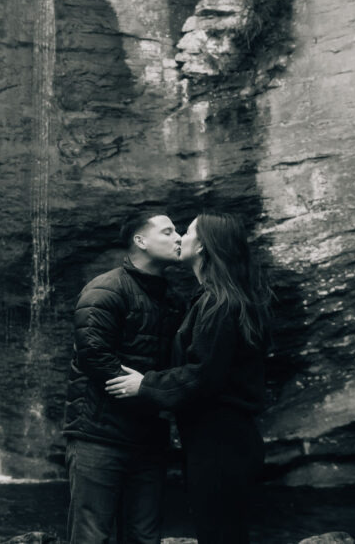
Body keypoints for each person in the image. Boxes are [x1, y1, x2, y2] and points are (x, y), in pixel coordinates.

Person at [105, 212, 271, 544]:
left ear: (205, 247)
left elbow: (203, 375)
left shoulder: (219, 304)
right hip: (221, 439)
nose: (181, 237)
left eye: (189, 231)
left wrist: (145, 384)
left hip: (221, 442)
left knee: (220, 534)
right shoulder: (215, 298)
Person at [62, 210, 182, 544]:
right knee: (91, 536)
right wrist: (148, 390)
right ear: (140, 241)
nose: (179, 238)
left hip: (148, 438)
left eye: (180, 232)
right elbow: (94, 354)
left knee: (144, 537)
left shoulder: (173, 300)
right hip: (98, 437)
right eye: (169, 231)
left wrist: (156, 390)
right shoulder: (106, 289)